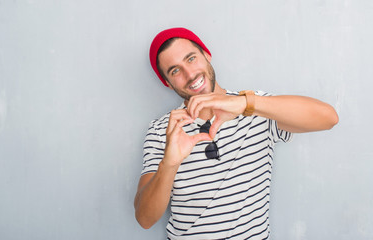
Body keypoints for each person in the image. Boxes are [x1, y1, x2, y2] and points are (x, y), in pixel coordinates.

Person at [134, 27, 338, 239]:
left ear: (206, 54)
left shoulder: (255, 107)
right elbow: (145, 219)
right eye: (175, 71)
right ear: (167, 83)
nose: (190, 74)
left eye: (191, 58)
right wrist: (170, 163)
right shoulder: (161, 131)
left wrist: (245, 103)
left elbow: (329, 118)